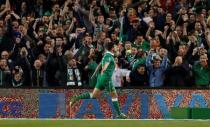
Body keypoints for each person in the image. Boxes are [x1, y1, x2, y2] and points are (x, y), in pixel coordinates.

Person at [70, 41, 127, 119]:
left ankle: (76, 98)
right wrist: (103, 71)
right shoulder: (109, 57)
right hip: (106, 79)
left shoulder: (106, 55)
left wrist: (94, 74)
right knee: (114, 95)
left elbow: (100, 64)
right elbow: (105, 66)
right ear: (112, 48)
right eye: (115, 46)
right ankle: (119, 114)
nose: (116, 47)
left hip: (101, 78)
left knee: (94, 95)